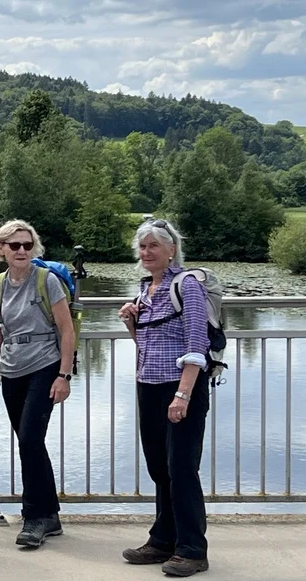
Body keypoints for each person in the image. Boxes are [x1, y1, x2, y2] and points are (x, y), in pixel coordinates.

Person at [117, 219, 211, 577]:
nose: (146, 253)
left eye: (154, 246)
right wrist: (131, 321)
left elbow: (196, 343)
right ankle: (162, 541)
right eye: (142, 247)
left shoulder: (187, 285)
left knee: (182, 468)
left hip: (181, 388)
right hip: (149, 385)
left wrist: (183, 395)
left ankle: (192, 549)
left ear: (171, 249)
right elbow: (147, 345)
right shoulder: (146, 289)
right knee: (160, 467)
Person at [0, 219, 75, 548]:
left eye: (27, 245)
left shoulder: (46, 281)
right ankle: (49, 515)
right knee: (29, 441)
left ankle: (34, 517)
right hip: (11, 371)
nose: (21, 250)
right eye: (14, 245)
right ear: (1, 250)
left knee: (30, 440)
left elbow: (66, 330)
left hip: (44, 366)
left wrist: (64, 375)